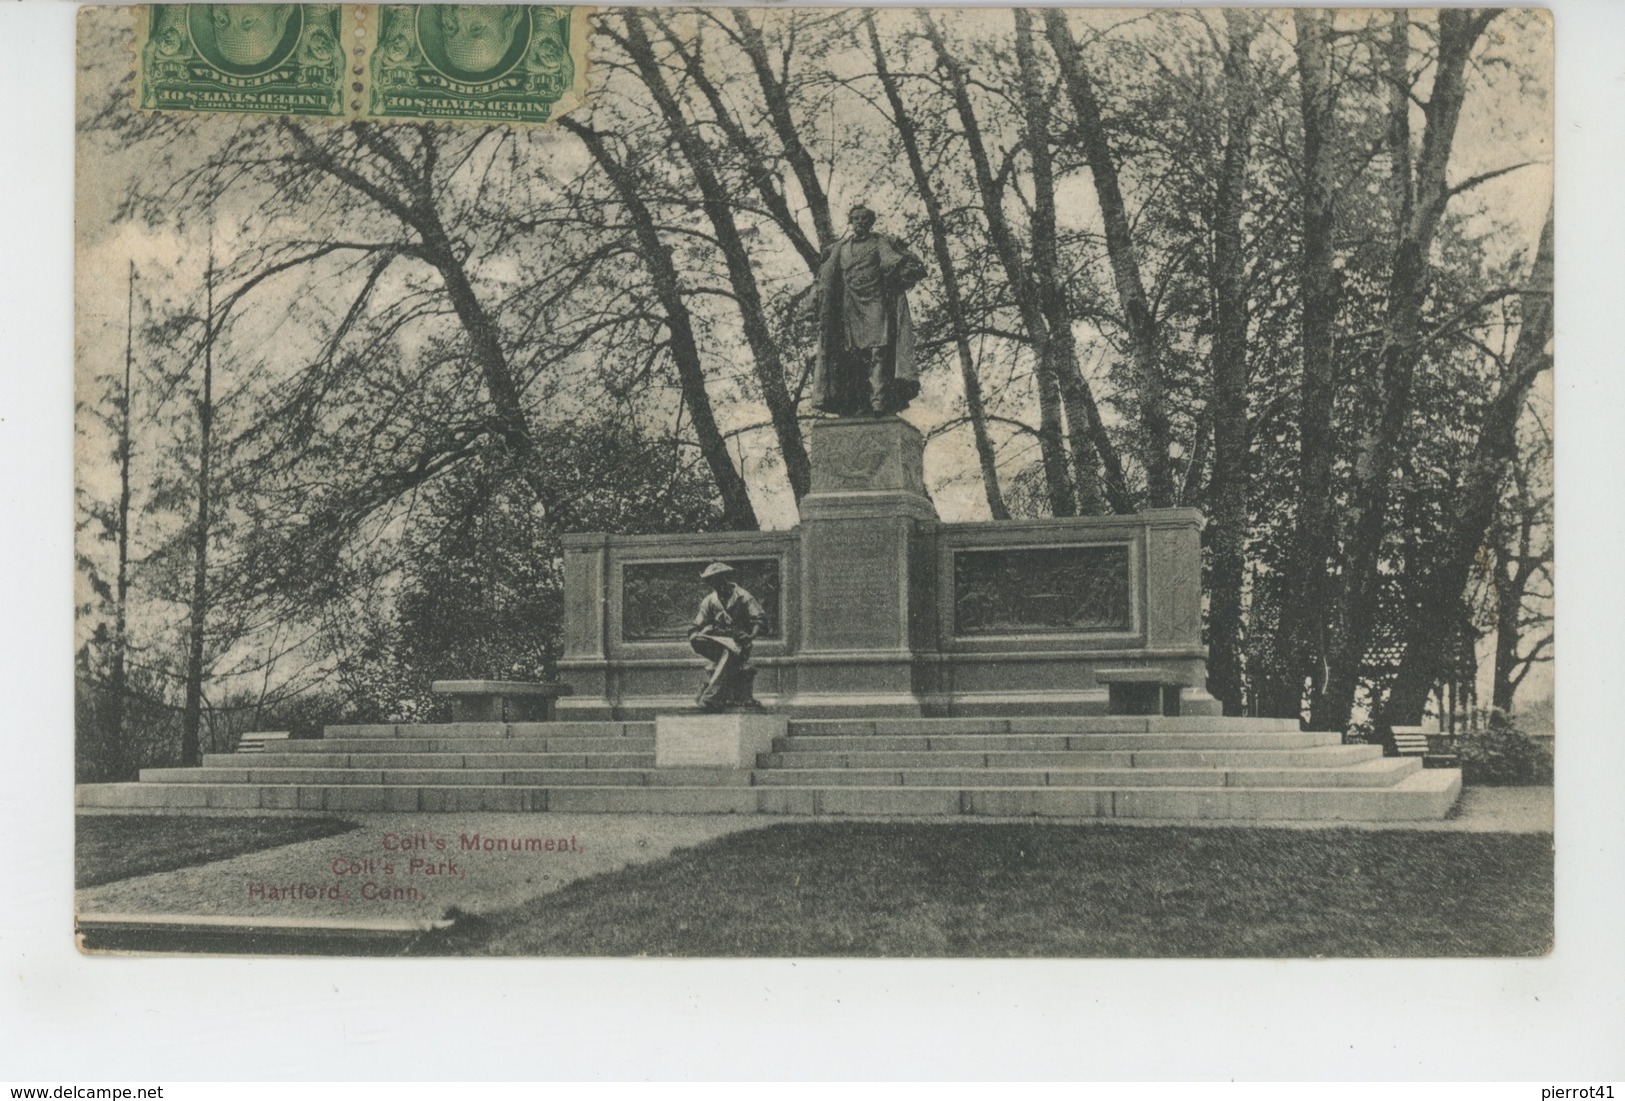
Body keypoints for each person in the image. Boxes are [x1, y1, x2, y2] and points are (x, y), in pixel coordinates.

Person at [801, 205, 928, 417]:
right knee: (854, 357)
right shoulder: (839, 249)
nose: (860, 222)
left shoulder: (881, 243)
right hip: (850, 308)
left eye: (864, 219)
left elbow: (904, 265)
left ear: (871, 222)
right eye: (856, 218)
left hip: (876, 305)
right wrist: (813, 305)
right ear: (850, 221)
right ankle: (859, 401)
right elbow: (824, 280)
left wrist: (906, 263)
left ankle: (878, 400)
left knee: (878, 352)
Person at [687, 562, 766, 711]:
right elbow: (697, 623)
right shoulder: (710, 600)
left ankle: (709, 698)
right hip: (717, 642)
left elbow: (759, 619)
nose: (712, 584)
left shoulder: (743, 597)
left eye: (714, 580)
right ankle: (711, 695)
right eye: (710, 581)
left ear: (724, 578)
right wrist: (696, 632)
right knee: (698, 639)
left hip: (739, 644)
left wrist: (750, 635)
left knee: (730, 652)